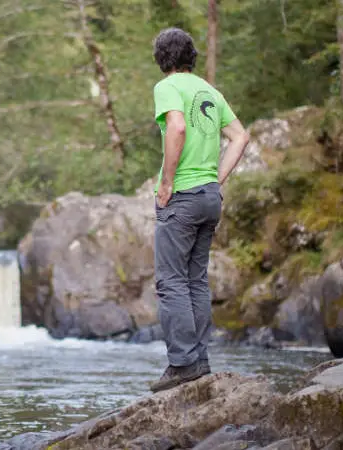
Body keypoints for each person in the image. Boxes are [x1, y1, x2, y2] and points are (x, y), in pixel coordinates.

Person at [149, 28, 250, 393]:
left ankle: (182, 364)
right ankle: (199, 361)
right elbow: (241, 136)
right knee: (195, 280)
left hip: (184, 196)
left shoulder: (168, 86)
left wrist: (167, 182)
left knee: (170, 281)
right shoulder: (209, 90)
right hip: (209, 196)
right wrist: (216, 179)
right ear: (191, 55)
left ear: (162, 58)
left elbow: (176, 127)